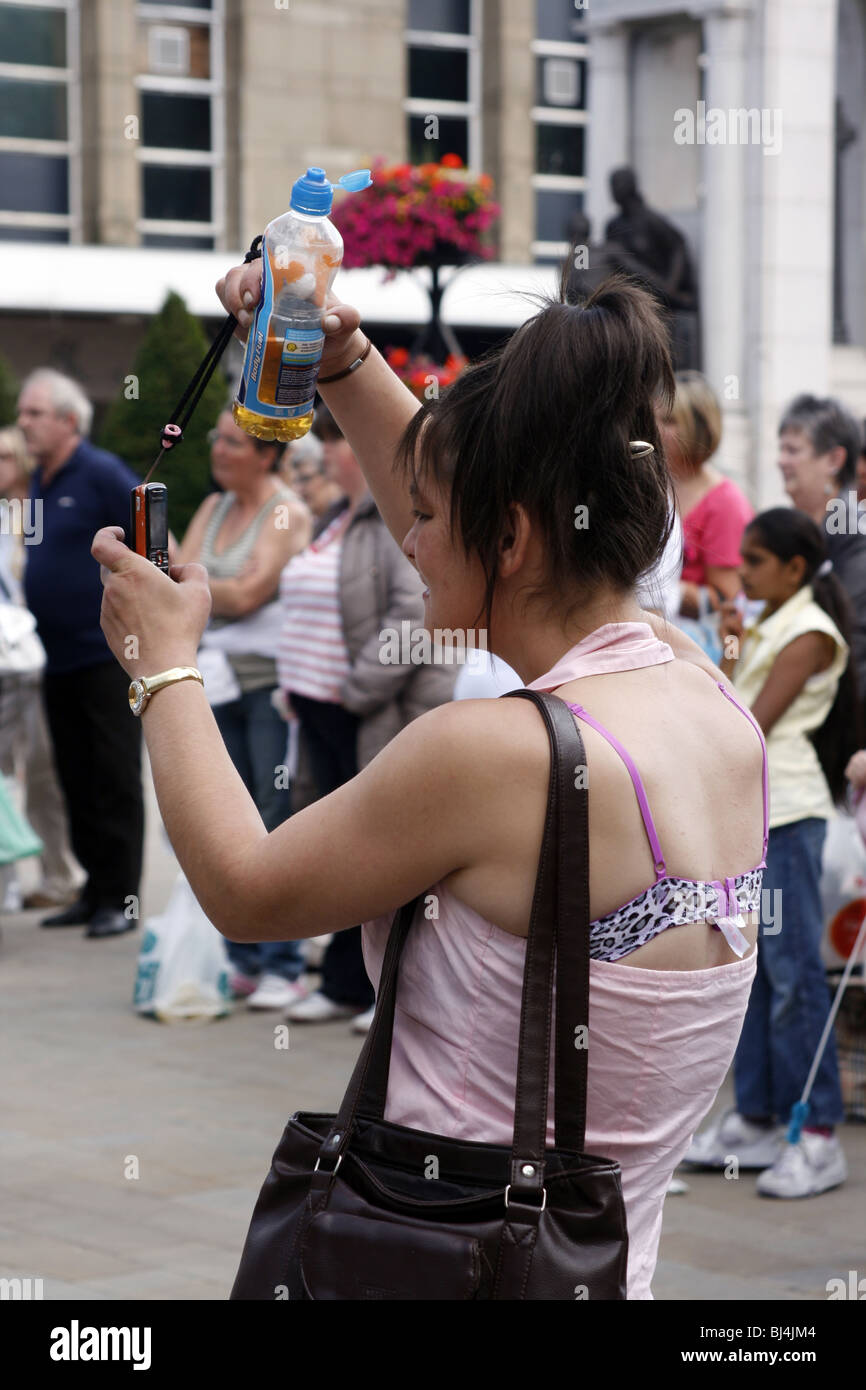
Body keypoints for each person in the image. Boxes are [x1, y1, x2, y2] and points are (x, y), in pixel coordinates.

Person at [93, 265, 768, 1299]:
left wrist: (164, 668)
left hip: (443, 1260)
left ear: (511, 536)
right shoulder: (696, 689)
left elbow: (244, 887)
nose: (408, 542)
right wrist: (341, 362)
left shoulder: (490, 755)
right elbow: (474, 479)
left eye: (425, 518)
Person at [686, 508, 861, 1197]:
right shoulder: (768, 623)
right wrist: (729, 648)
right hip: (755, 819)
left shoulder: (810, 632)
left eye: (754, 562)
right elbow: (727, 707)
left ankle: (816, 1133)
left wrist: (730, 658)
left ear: (792, 568)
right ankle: (756, 1119)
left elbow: (745, 727)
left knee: (792, 978)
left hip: (788, 819)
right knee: (756, 974)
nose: (742, 575)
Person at [277, 404, 457, 1031]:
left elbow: (411, 615)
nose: (327, 451)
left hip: (369, 712)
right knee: (339, 851)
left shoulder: (383, 521)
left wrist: (355, 690)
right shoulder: (336, 515)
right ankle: (345, 979)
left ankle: (379, 987)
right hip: (323, 709)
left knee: (376, 857)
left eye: (338, 438)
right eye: (325, 439)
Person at [175, 410, 312, 1010]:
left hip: (270, 685)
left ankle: (284, 962)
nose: (218, 451)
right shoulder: (214, 506)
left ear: (266, 454)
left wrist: (201, 593)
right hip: (219, 682)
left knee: (271, 814)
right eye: (216, 439)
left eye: (232, 443)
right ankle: (241, 957)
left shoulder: (285, 509)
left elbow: (251, 591)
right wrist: (204, 592)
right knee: (222, 813)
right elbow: (176, 580)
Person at [19, 369, 144, 939]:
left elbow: (148, 532)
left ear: (69, 420)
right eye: (22, 414)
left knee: (112, 774)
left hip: (103, 655)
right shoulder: (40, 481)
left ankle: (122, 899)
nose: (23, 423)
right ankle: (92, 890)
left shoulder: (99, 472)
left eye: (34, 413)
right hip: (55, 656)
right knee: (73, 775)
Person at [0, 425, 82, 912]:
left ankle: (58, 874)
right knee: (2, 772)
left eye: (8, 455)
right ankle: (8, 880)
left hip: (43, 659)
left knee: (47, 773)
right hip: (8, 663)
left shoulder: (36, 510)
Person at [777, 393, 866, 705]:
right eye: (781, 449)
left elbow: (848, 633)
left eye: (793, 450)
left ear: (834, 460)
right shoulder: (795, 529)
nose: (781, 460)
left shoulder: (854, 535)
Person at [658, 371, 754, 638]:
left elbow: (729, 598)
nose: (654, 428)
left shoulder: (725, 503)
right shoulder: (653, 487)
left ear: (698, 430)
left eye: (668, 421)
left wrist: (658, 590)